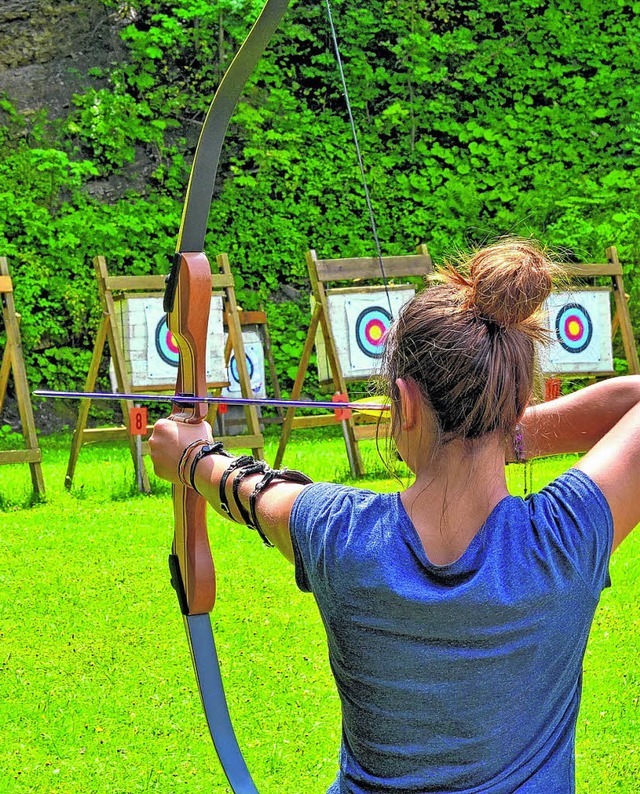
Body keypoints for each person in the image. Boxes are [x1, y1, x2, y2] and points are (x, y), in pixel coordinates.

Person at [149, 239, 640, 793]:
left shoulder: (338, 531)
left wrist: (190, 456)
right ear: (518, 396)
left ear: (403, 404)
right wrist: (501, 428)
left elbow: (246, 489)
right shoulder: (566, 538)